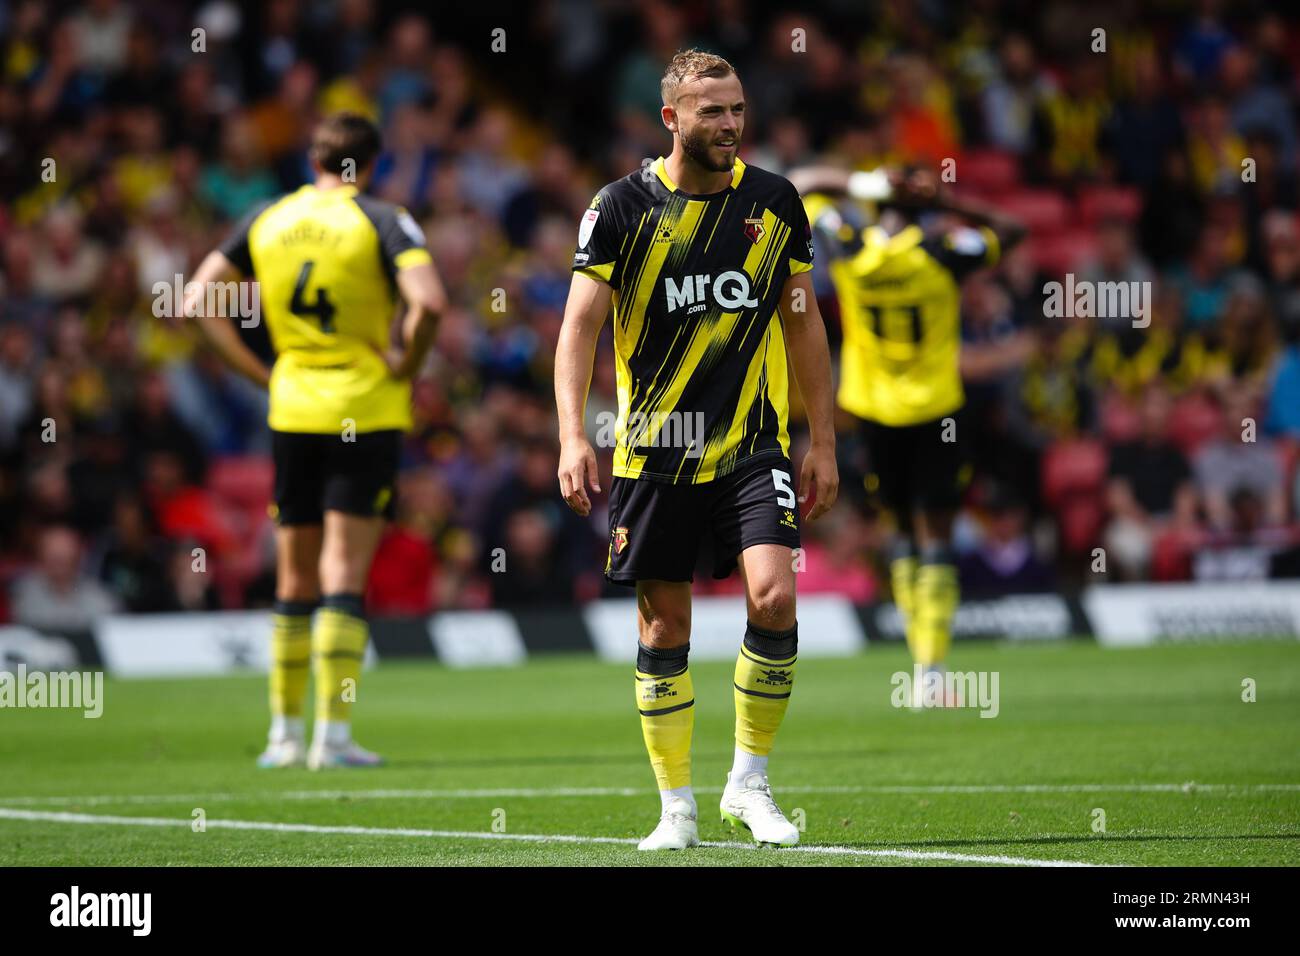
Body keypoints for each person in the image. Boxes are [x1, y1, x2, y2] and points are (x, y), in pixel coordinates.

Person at [555, 50, 839, 850]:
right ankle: (675, 805)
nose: (729, 125)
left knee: (775, 597)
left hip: (755, 442)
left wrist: (823, 440)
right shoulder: (619, 207)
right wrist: (574, 434)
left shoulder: (776, 203)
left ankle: (749, 784)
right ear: (671, 117)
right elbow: (578, 327)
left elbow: (802, 321)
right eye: (711, 111)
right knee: (662, 628)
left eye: (737, 109)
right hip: (654, 450)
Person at [185, 113, 446, 770]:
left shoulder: (266, 218)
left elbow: (196, 300)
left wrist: (259, 373)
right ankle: (332, 737)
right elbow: (431, 303)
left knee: (293, 576)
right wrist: (407, 365)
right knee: (342, 575)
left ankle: (281, 736)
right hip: (365, 406)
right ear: (374, 164)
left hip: (293, 409)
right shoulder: (384, 220)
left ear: (313, 161)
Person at [788, 162, 1025, 705]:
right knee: (935, 531)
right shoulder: (944, 254)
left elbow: (800, 183)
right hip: (936, 409)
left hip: (872, 409)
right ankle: (931, 668)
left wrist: (865, 182)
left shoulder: (848, 245)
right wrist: (947, 203)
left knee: (897, 528)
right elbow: (1013, 231)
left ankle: (918, 664)